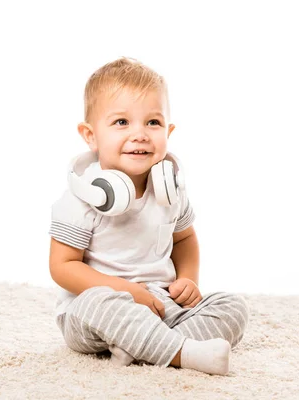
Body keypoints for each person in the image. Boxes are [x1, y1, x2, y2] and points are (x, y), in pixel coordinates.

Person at [48, 57, 249, 375]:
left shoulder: (169, 190)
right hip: (97, 311)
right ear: (90, 135)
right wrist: (126, 291)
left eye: (152, 123)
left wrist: (187, 280)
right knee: (99, 303)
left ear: (168, 130)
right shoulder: (82, 198)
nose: (140, 134)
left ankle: (145, 346)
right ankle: (182, 353)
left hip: (161, 305)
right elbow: (62, 267)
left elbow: (184, 239)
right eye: (121, 122)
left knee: (233, 307)